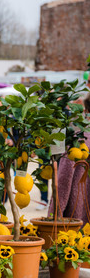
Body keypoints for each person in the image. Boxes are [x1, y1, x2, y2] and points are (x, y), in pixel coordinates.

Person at [48, 94, 90, 224]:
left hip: (79, 217)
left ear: (85, 109)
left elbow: (64, 179)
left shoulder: (78, 138)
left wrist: (54, 214)